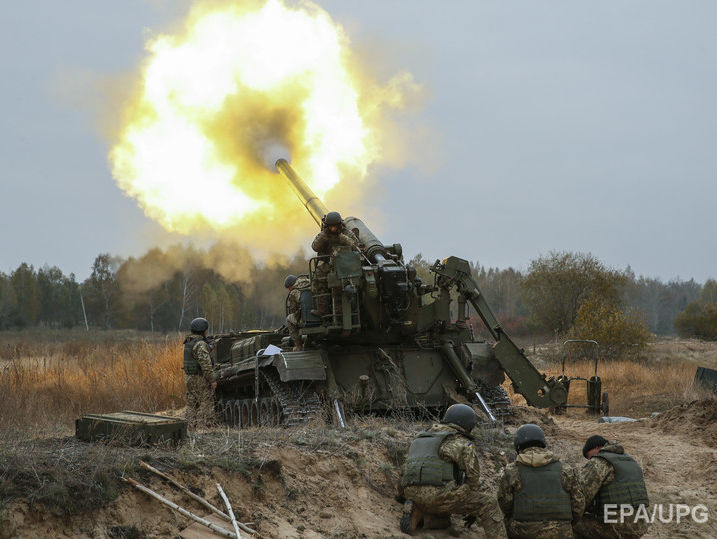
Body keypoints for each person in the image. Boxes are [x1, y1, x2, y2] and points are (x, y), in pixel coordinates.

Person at [400, 403, 507, 537]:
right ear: (468, 425)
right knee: (488, 503)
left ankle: (418, 510)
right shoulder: (462, 443)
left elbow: (404, 470)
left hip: (411, 493)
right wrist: (473, 509)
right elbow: (473, 478)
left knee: (444, 519)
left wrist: (403, 495)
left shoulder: (419, 438)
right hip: (441, 497)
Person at [497, 424, 585, 538]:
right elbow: (579, 504)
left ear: (518, 446)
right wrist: (566, 525)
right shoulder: (565, 469)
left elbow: (505, 504)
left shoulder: (512, 470)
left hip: (524, 532)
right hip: (561, 532)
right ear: (543, 443)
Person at [574, 435, 650, 539]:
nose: (590, 460)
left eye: (590, 456)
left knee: (571, 523)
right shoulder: (631, 461)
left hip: (618, 526)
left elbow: (581, 498)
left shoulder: (600, 461)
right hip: (641, 524)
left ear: (597, 448)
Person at [310, 211, 359, 317]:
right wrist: (323, 236)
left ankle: (340, 313)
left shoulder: (346, 233)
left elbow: (356, 245)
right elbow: (314, 247)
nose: (333, 229)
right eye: (330, 227)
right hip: (329, 264)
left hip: (345, 265)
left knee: (339, 286)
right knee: (317, 278)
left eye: (335, 226)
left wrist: (343, 238)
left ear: (339, 225)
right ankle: (323, 310)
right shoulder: (324, 234)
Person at [183, 317, 216, 425]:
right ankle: (206, 427)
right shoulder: (200, 344)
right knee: (206, 402)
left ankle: (190, 427)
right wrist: (212, 380)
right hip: (199, 378)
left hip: (189, 378)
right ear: (203, 330)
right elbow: (205, 365)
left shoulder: (189, 342)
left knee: (191, 404)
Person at [285, 274, 310, 351]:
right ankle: (308, 342)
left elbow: (293, 309)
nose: (289, 290)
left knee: (289, 319)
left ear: (290, 286)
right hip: (321, 316)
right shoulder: (311, 283)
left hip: (306, 318)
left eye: (288, 288)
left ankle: (298, 346)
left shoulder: (293, 292)